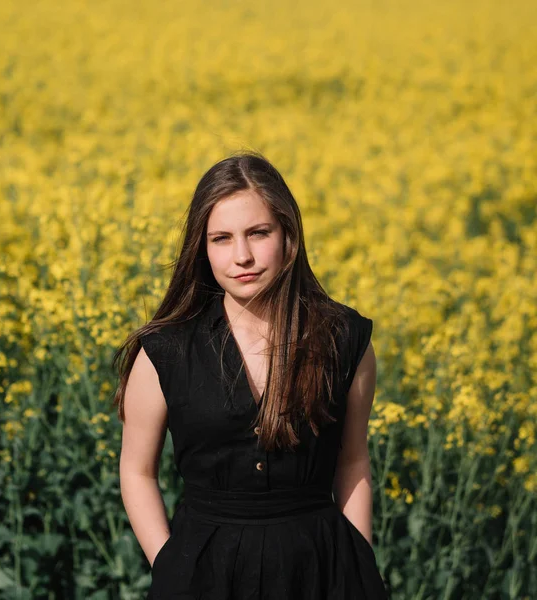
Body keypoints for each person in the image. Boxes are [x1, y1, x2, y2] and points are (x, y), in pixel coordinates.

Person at [113, 152, 389, 599]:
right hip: (204, 572)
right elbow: (136, 469)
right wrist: (171, 567)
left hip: (322, 568)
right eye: (221, 238)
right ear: (201, 249)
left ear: (288, 236)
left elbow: (352, 460)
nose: (242, 256)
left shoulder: (344, 339)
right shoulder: (165, 350)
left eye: (258, 233)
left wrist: (358, 563)